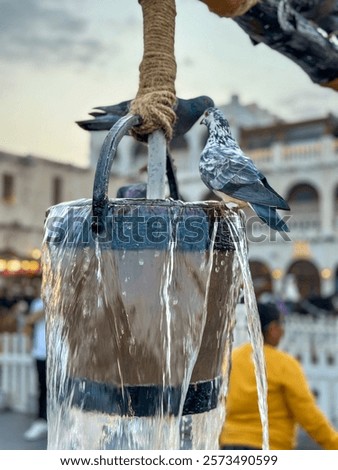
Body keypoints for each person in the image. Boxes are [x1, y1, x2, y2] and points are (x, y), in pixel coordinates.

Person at [219, 302, 338, 450]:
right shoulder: (284, 365)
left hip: (230, 446)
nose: (283, 331)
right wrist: (334, 444)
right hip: (269, 446)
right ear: (273, 329)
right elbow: (308, 415)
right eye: (281, 325)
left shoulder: (232, 359)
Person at [23, 294, 47, 441]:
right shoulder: (37, 303)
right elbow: (29, 321)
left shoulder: (66, 299)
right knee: (42, 388)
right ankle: (42, 420)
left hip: (59, 354)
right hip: (41, 353)